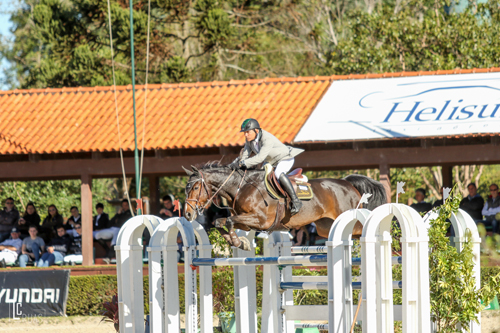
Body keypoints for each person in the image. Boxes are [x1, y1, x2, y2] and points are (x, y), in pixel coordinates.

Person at [229, 118, 304, 215]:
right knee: (259, 176)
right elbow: (246, 154)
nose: (245, 135)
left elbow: (259, 158)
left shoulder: (266, 138)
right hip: (271, 160)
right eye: (244, 132)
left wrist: (242, 163)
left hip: (285, 158)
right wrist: (238, 163)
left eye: (247, 132)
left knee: (278, 174)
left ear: (256, 130)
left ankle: (296, 201)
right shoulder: (249, 139)